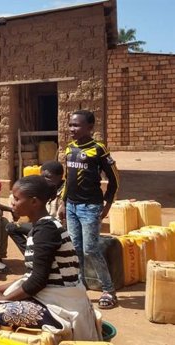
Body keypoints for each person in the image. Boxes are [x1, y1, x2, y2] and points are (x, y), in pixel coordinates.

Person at [0, 176, 100, 345]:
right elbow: (31, 276)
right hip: (47, 298)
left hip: (59, 308)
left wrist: (2, 299)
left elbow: (37, 281)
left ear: (34, 202)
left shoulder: (47, 230)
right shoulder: (40, 227)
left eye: (17, 199)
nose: (12, 203)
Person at [58, 109, 120, 310]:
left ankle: (108, 290)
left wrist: (107, 204)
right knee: (75, 248)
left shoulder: (98, 149)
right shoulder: (69, 149)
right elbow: (67, 180)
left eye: (76, 125)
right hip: (72, 206)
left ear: (90, 127)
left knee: (91, 249)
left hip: (90, 207)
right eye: (70, 125)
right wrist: (62, 202)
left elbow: (114, 180)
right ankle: (80, 286)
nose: (72, 129)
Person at [6, 161, 64, 254]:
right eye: (42, 176)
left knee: (38, 233)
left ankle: (35, 257)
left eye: (48, 177)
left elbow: (59, 221)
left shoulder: (65, 193)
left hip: (53, 229)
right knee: (11, 227)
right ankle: (31, 255)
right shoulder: (40, 189)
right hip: (41, 225)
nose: (44, 180)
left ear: (60, 177)